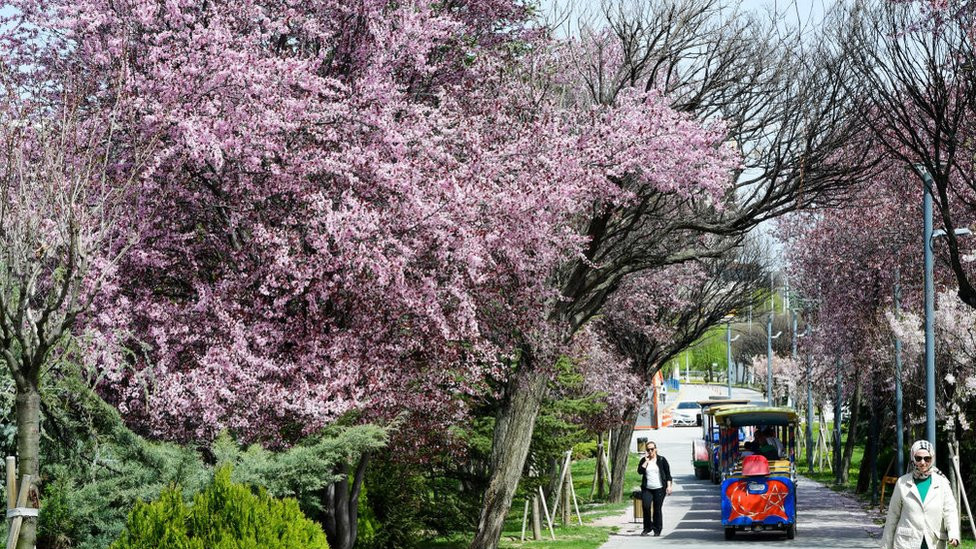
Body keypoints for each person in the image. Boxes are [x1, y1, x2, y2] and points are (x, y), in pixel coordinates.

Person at [880, 440, 960, 549]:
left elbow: (950, 511)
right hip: (906, 543)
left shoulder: (942, 483)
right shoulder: (902, 483)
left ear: (932, 458)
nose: (923, 462)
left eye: (927, 458)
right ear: (913, 458)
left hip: (934, 543)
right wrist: (886, 546)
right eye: (918, 458)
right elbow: (892, 516)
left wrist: (953, 534)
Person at [637, 441, 673, 537]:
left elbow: (668, 475)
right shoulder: (644, 460)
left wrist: (669, 486)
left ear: (656, 449)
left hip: (659, 488)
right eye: (648, 449)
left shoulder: (661, 460)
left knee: (657, 509)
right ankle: (647, 528)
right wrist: (646, 462)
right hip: (647, 488)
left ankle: (657, 529)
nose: (650, 451)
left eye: (652, 449)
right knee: (646, 506)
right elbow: (640, 472)